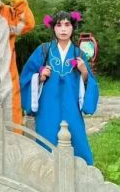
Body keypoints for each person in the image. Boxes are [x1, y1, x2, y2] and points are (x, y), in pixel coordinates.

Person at [20, 11, 99, 165]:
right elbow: (25, 78)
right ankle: (47, 175)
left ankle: (81, 172)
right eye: (59, 25)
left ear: (73, 28)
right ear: (53, 28)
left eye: (67, 25)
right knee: (47, 139)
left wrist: (84, 71)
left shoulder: (78, 53)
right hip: (47, 107)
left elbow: (90, 82)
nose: (63, 29)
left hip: (71, 106)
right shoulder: (43, 50)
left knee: (77, 139)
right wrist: (40, 77)